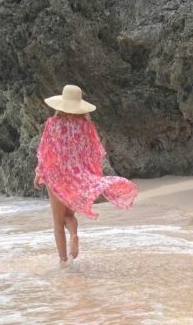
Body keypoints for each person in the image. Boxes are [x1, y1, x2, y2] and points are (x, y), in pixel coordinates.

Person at [33, 84, 138, 268]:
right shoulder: (87, 127)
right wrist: (91, 175)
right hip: (77, 177)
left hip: (56, 175)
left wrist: (38, 173)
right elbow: (95, 153)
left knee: (58, 222)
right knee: (69, 215)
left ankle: (63, 261)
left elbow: (45, 151)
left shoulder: (52, 124)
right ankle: (74, 234)